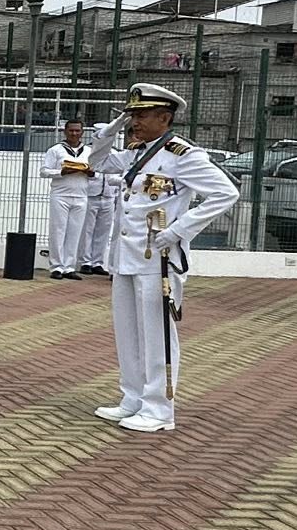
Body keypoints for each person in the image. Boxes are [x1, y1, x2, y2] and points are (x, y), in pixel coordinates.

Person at [85, 84, 239, 433]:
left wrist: (180, 229)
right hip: (127, 255)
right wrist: (110, 130)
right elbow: (96, 162)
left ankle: (159, 409)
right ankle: (133, 398)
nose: (134, 122)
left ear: (164, 118)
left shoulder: (183, 155)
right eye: (132, 115)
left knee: (157, 334)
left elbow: (225, 193)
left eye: (141, 115)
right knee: (128, 331)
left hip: (159, 257)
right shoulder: (137, 152)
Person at [41, 117, 95, 280]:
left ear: (82, 132)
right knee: (58, 231)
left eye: (77, 130)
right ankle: (56, 266)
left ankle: (69, 267)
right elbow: (44, 171)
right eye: (71, 130)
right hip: (60, 195)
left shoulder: (89, 151)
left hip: (81, 195)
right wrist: (61, 172)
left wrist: (90, 173)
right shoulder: (56, 150)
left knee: (75, 232)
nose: (74, 133)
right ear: (65, 131)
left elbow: (98, 173)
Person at [80, 155, 118, 277]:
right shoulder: (90, 153)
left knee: (104, 231)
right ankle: (85, 262)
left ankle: (97, 262)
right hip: (91, 194)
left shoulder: (116, 154)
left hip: (109, 195)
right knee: (87, 230)